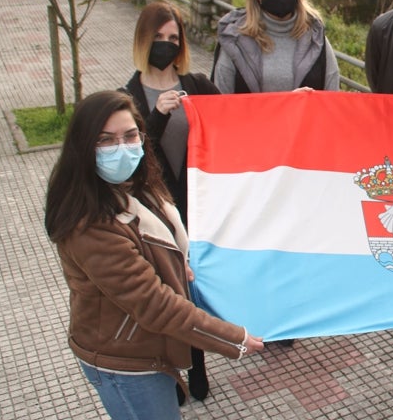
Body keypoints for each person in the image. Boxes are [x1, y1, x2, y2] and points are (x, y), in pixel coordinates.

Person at [44, 91, 264, 420]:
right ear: (84, 148)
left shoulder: (141, 185)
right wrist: (234, 338)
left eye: (130, 135)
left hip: (148, 349)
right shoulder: (90, 225)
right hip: (126, 362)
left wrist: (181, 266)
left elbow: (163, 248)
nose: (122, 148)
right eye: (106, 140)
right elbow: (153, 303)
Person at [121, 2, 219, 403]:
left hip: (197, 208)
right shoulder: (126, 96)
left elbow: (239, 115)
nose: (165, 45)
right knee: (165, 289)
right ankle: (170, 369)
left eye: (172, 39)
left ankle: (197, 364)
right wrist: (156, 119)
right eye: (158, 38)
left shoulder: (195, 83)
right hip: (155, 212)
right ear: (143, 40)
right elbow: (132, 161)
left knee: (190, 287)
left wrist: (294, 101)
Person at [213, 0, 340, 93]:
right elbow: (221, 102)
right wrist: (286, 103)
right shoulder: (235, 40)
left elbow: (332, 97)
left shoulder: (315, 40)